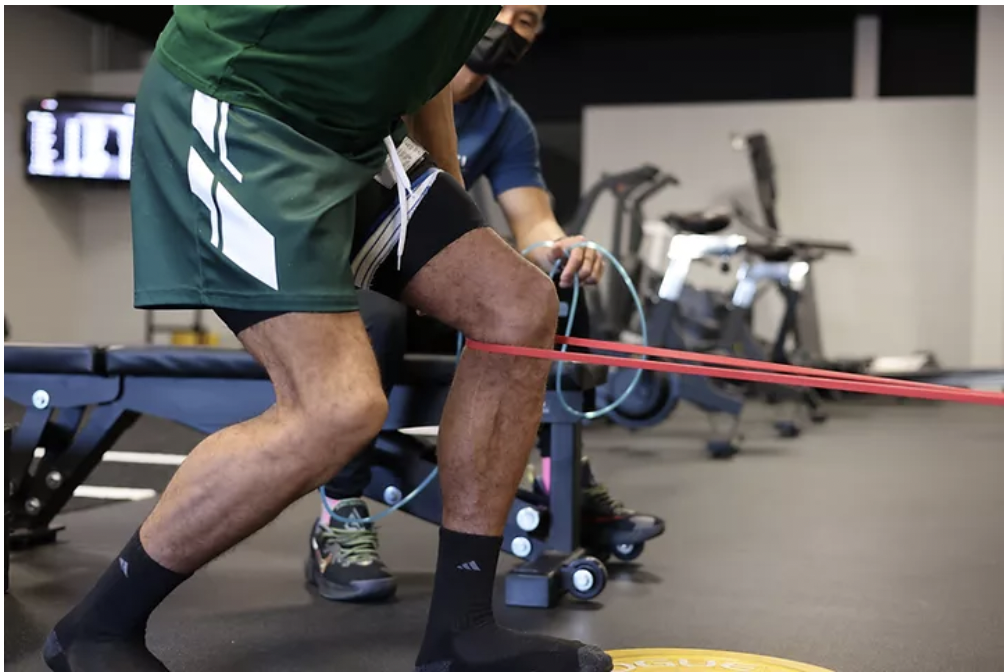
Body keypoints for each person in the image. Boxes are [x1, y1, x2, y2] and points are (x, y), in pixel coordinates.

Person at [43, 7, 612, 672]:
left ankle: (462, 632)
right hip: (248, 107)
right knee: (335, 408)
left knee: (515, 303)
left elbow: (424, 54)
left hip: (360, 138)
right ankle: (97, 628)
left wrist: (452, 211)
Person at [308, 4, 666, 604]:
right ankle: (338, 516)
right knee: (381, 316)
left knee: (554, 292)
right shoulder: (386, 73)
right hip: (343, 274)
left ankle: (568, 479)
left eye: (524, 19)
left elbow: (533, 221)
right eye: (496, 7)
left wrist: (560, 250)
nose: (504, 25)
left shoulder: (504, 118)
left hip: (424, 275)